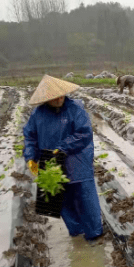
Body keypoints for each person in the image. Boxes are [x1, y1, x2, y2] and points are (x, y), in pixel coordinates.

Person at [23, 75, 104, 242]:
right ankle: (76, 233)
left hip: (76, 159)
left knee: (85, 199)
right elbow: (30, 137)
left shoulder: (76, 109)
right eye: (54, 97)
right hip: (49, 161)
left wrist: (62, 148)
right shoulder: (37, 114)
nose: (59, 99)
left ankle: (94, 236)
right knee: (60, 202)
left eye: (61, 95)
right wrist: (30, 156)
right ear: (46, 99)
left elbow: (84, 134)